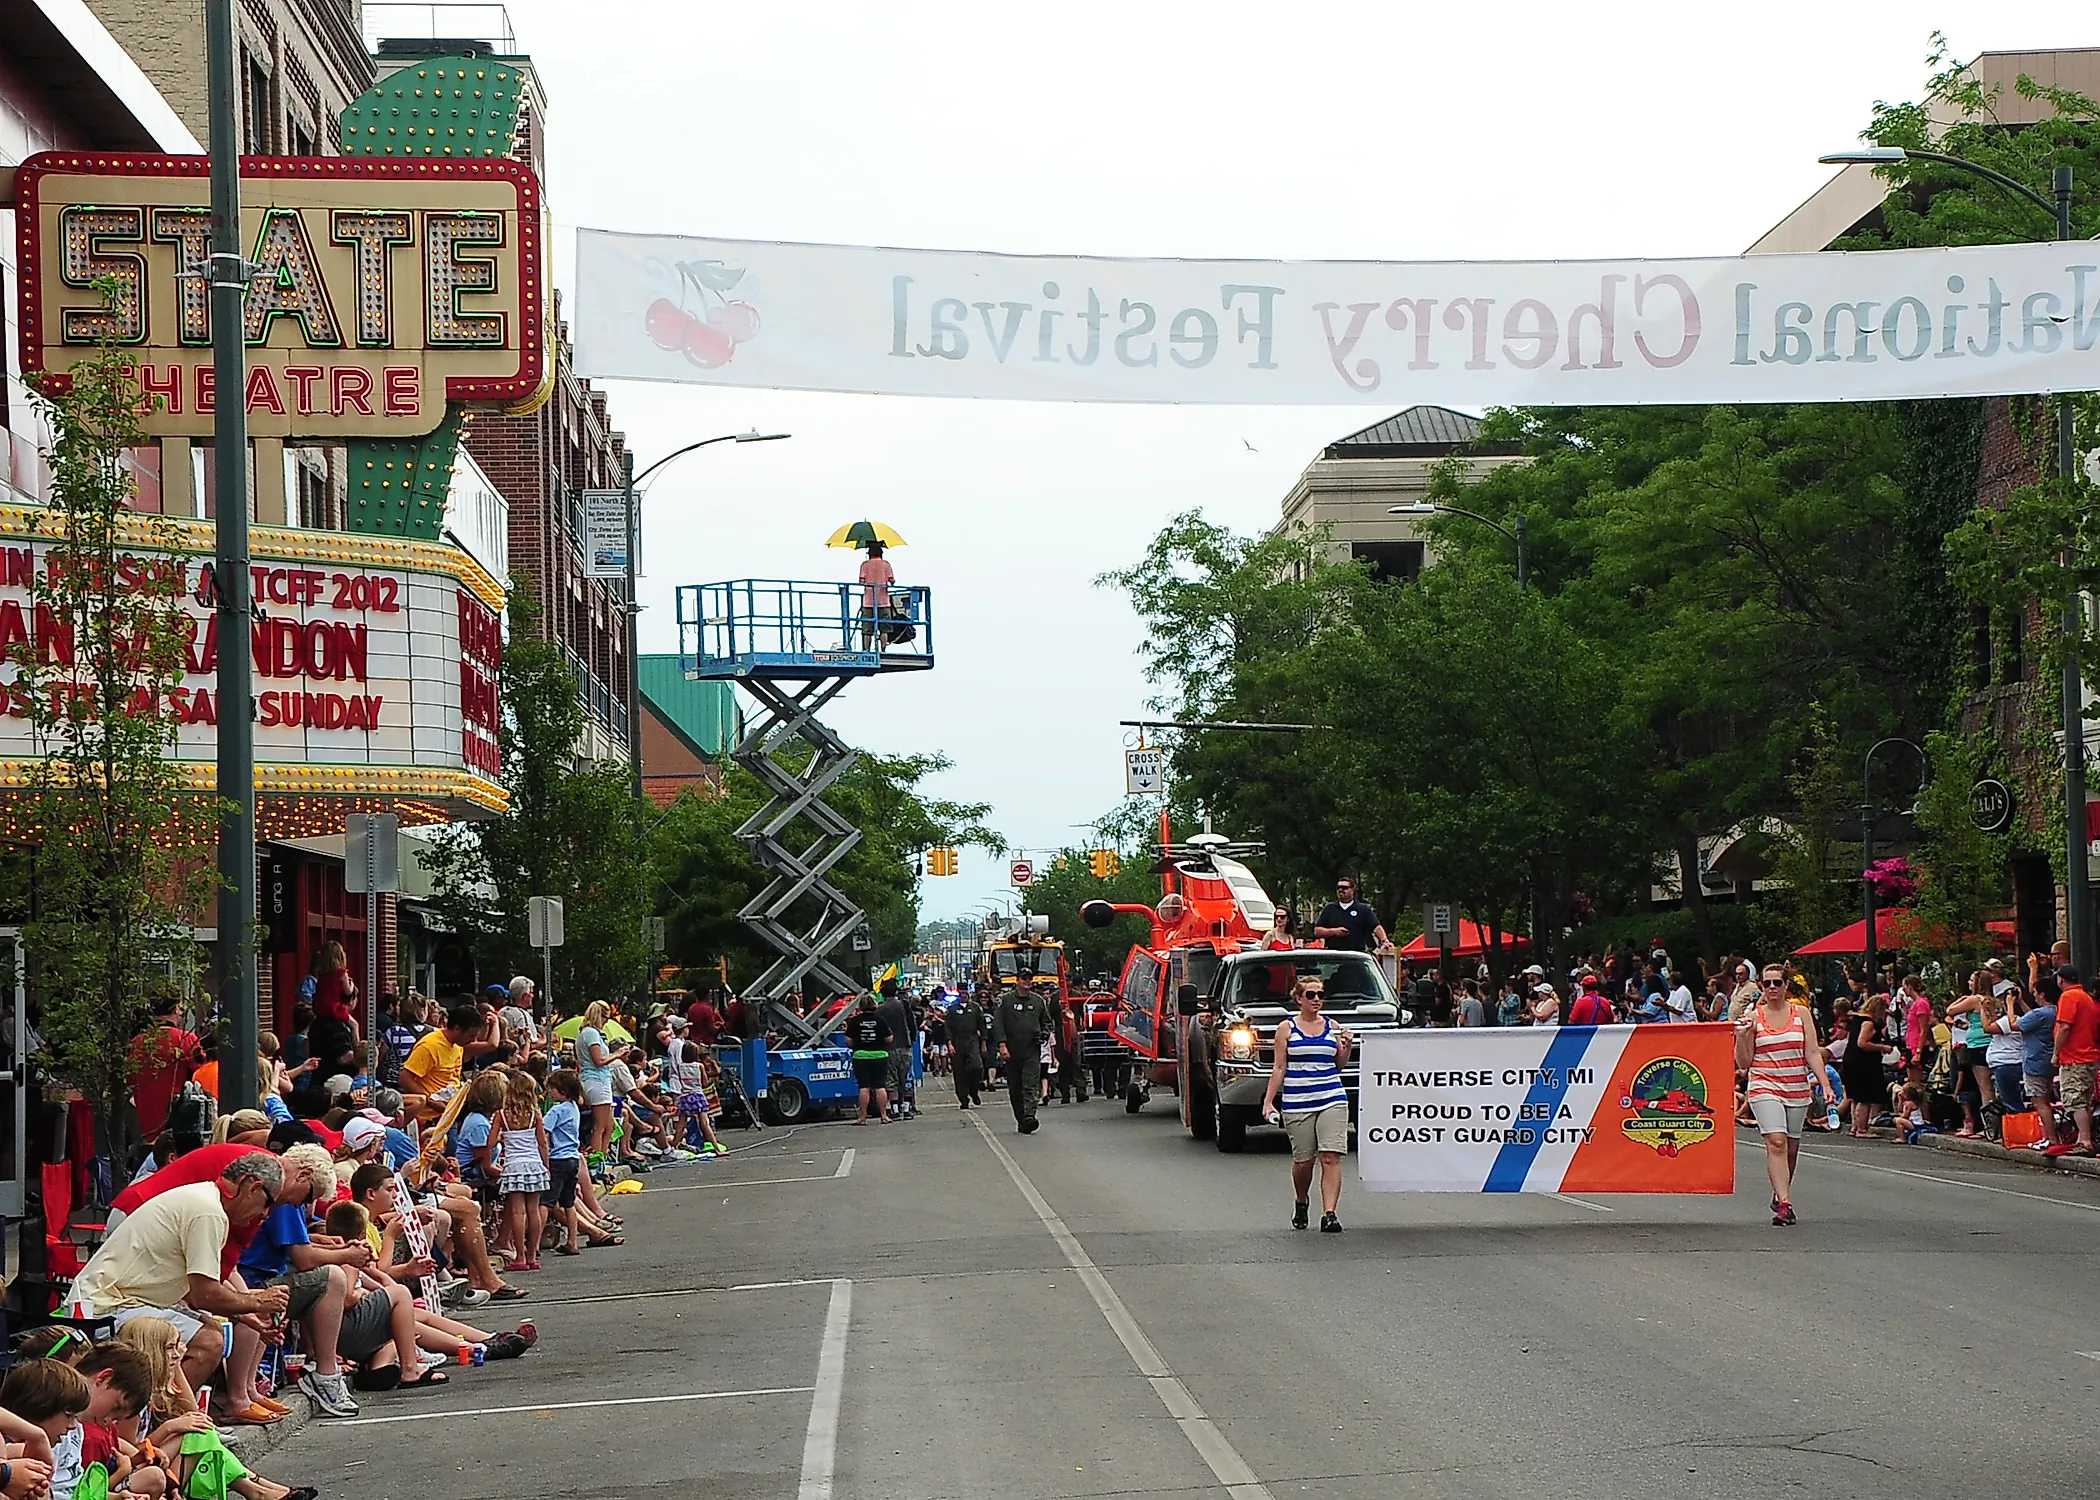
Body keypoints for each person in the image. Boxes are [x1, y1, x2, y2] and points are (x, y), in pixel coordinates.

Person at [67, 1154, 293, 1414]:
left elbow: (198, 1296)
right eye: (267, 1204)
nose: (265, 1214)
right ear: (252, 1187)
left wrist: (252, 1316)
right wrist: (256, 1301)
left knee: (208, 1327)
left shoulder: (205, 1200)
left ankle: (174, 1417)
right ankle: (166, 1422)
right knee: (208, 1341)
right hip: (105, 1306)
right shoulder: (208, 1213)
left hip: (116, 1299)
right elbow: (206, 1294)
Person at [1737, 964, 1837, 1227]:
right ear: (1760, 986)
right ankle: (1785, 1202)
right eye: (1767, 983)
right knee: (1777, 1142)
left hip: (1796, 1086)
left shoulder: (1800, 1014)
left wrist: (1826, 1086)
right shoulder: (1754, 1017)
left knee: (1791, 1147)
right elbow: (1745, 1062)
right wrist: (1742, 1036)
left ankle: (1780, 1191)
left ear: (1785, 986)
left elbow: (1813, 1052)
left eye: (1777, 983)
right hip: (1764, 1085)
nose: (1772, 988)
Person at [1261, 975, 1353, 1233]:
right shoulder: (1286, 1028)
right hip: (1298, 1100)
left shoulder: (1332, 1026)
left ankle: (1329, 1213)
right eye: (1310, 995)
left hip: (1331, 1096)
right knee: (1303, 1161)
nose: (1316, 1000)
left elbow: (1339, 1063)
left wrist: (1347, 1046)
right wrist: (1269, 1101)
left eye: (1320, 995)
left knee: (1331, 1156)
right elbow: (1279, 1067)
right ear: (1299, 999)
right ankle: (1301, 1201)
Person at [128, 991, 204, 1148]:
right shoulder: (187, 1040)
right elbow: (201, 1072)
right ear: (176, 1009)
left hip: (144, 1124)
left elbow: (129, 1080)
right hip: (178, 1123)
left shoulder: (136, 1043)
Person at [397, 1003, 492, 1127]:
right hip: (429, 1118)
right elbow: (405, 1079)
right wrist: (430, 1102)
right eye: (471, 1036)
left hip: (450, 1113)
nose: (473, 1040)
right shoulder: (429, 1046)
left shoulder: (458, 1045)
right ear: (457, 1029)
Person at [496, 1071, 551, 1273]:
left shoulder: (501, 1115)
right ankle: (532, 1255)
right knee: (534, 1210)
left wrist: (505, 1136)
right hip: (534, 1164)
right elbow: (542, 1143)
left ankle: (519, 1256)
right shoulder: (535, 1114)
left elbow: (491, 1142)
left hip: (513, 1165)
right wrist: (546, 1166)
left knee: (517, 1212)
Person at [991, 975, 1056, 1134]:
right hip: (1012, 1050)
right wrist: (1002, 1045)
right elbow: (998, 1024)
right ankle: (1021, 1118)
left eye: (1029, 979)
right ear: (1017, 981)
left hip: (1031, 1049)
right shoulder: (1006, 1001)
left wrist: (1045, 1033)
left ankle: (1029, 1116)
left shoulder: (1038, 1001)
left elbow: (1047, 1022)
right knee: (1015, 1086)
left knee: (1030, 1083)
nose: (1027, 982)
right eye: (1024, 979)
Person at [2047, 965, 2099, 1157]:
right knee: (2084, 1100)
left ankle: (2084, 1140)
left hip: (2075, 1057)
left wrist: (2056, 1053)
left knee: (2074, 1099)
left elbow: (2065, 1027)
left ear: (2061, 979)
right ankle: (2082, 1138)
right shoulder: (2086, 997)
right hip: (2088, 1055)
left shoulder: (2068, 997)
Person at [1841, 994, 1896, 1136]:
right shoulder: (1868, 1022)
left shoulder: (1857, 1020)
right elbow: (1862, 1043)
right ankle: (1862, 1129)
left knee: (1855, 1097)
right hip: (1862, 1063)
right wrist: (1882, 1047)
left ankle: (1855, 1126)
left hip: (1851, 1060)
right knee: (1864, 1097)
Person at [574, 1001, 619, 1161]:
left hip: (597, 1080)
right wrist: (617, 1054)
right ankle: (596, 1159)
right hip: (596, 1081)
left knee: (609, 1126)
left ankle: (603, 1157)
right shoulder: (591, 1033)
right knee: (599, 1127)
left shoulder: (585, 1033)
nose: (607, 1021)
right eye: (606, 1017)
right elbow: (599, 1060)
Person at [845, 995, 893, 1126]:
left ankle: (862, 1117)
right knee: (880, 1086)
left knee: (864, 1087)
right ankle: (884, 1116)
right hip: (879, 1055)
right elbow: (889, 1039)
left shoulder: (854, 1021)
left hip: (861, 1056)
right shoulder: (880, 1020)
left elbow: (848, 1040)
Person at [1312, 879, 1388, 952]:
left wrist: (1384, 941)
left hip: (1357, 954)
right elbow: (1317, 931)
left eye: (1344, 888)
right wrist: (1334, 931)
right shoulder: (1329, 908)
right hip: (1334, 954)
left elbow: (1376, 927)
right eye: (1338, 888)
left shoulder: (1363, 909)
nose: (1341, 890)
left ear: (1353, 890)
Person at [877, 983, 915, 1121]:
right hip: (905, 1045)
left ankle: (894, 1109)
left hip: (889, 1048)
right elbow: (912, 1023)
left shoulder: (880, 1009)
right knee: (907, 1078)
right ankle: (907, 1108)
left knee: (891, 1079)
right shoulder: (903, 1005)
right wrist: (912, 1038)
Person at [948, 988, 987, 1109]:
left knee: (977, 1067)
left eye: (966, 993)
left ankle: (974, 1090)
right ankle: (963, 1099)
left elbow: (982, 1025)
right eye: (961, 993)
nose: (964, 995)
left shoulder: (975, 1008)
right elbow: (948, 1027)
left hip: (972, 1040)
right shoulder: (952, 1009)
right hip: (957, 1042)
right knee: (959, 1072)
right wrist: (949, 1044)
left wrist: (984, 1042)